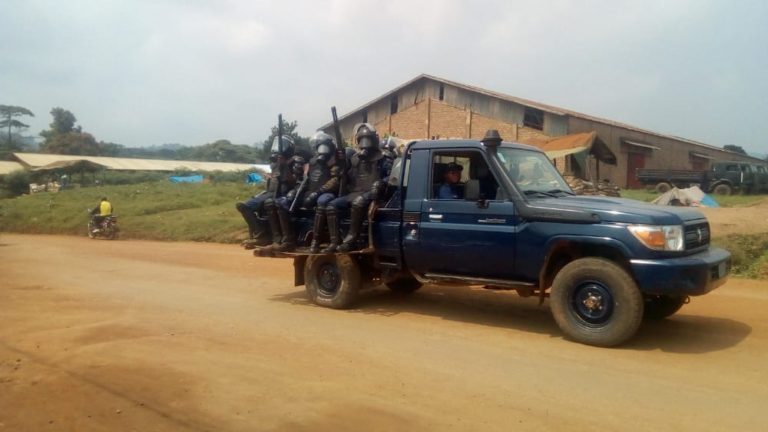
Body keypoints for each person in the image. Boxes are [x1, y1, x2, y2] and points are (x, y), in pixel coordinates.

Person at [321, 123, 391, 253]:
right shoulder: (354, 159)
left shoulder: (383, 157)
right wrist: (342, 164)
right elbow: (346, 176)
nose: (365, 143)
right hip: (356, 192)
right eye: (362, 140)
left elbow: (390, 177)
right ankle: (334, 241)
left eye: (367, 139)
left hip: (371, 193)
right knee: (331, 205)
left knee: (358, 202)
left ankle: (351, 240)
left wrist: (381, 183)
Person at [236, 135, 296, 248]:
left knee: (269, 203)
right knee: (243, 206)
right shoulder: (274, 164)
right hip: (269, 193)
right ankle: (260, 233)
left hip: (282, 194)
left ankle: (272, 237)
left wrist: (284, 165)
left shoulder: (294, 162)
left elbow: (294, 182)